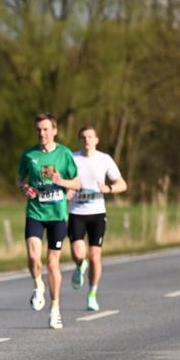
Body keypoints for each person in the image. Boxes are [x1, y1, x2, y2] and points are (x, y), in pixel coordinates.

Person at [16, 113, 80, 329]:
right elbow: (19, 179)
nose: (42, 133)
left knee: (53, 263)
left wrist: (63, 182)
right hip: (35, 211)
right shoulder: (29, 154)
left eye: (46, 129)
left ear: (54, 130)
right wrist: (24, 187)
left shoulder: (64, 154)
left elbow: (77, 182)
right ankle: (37, 285)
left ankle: (55, 308)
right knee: (34, 257)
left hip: (57, 215)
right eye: (39, 130)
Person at [68, 125, 128, 311]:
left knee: (95, 256)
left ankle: (92, 294)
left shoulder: (104, 159)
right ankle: (79, 266)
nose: (87, 140)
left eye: (90, 137)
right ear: (79, 140)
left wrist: (108, 189)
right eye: (83, 137)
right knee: (78, 253)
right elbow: (62, 179)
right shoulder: (72, 158)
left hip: (97, 213)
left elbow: (122, 184)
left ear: (96, 140)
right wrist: (67, 189)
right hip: (76, 212)